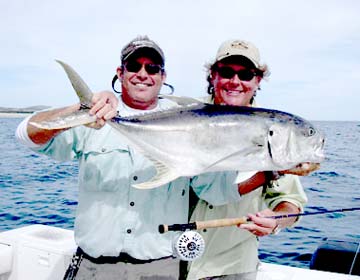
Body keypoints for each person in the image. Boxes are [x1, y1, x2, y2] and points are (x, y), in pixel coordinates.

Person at [15, 35, 244, 280]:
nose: (143, 74)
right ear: (120, 73)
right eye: (134, 66)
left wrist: (273, 170)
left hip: (160, 270)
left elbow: (215, 191)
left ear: (163, 77)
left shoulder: (187, 124)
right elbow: (26, 135)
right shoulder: (97, 116)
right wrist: (80, 110)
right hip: (93, 268)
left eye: (152, 68)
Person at [186, 40, 308, 280]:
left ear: (257, 81)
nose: (235, 81)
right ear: (213, 75)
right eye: (226, 72)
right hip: (169, 261)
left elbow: (290, 202)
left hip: (232, 266)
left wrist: (276, 220)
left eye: (245, 74)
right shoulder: (184, 116)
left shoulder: (275, 134)